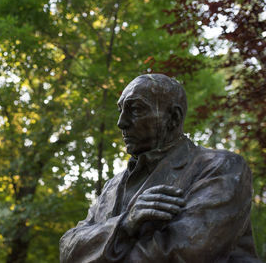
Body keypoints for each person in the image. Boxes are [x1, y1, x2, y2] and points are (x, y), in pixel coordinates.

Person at [59, 74, 261, 263]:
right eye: (121, 110)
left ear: (173, 118)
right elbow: (68, 248)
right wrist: (125, 225)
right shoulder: (112, 186)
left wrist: (99, 253)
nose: (121, 123)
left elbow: (184, 252)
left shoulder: (220, 167)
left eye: (135, 109)